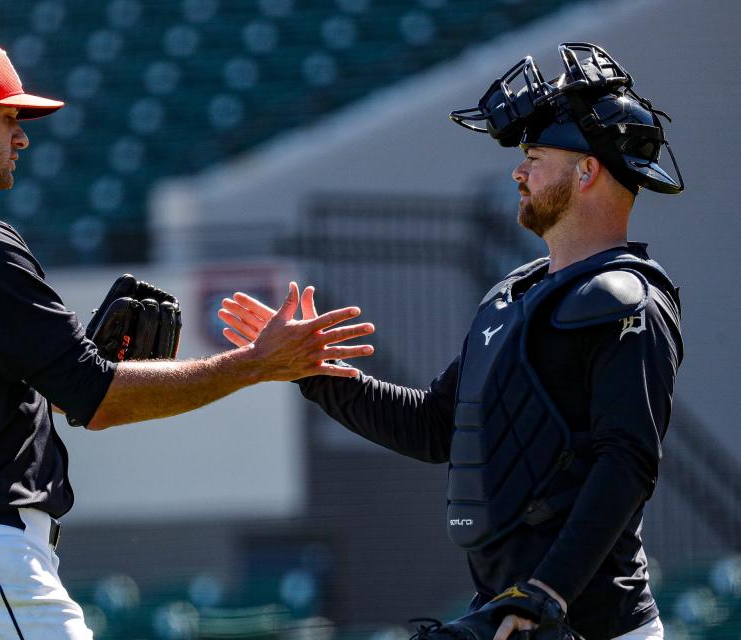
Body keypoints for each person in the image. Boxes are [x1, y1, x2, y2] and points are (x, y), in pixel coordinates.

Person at [0, 38, 375, 640]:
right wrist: (257, 362)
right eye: (9, 116)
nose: (22, 136)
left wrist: (28, 383)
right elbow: (97, 396)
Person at [218, 43, 684, 640]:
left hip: (592, 626)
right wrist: (312, 372)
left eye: (535, 157)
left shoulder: (628, 302)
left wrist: (546, 593)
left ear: (586, 170)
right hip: (509, 616)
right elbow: (436, 427)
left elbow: (628, 461)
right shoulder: (514, 295)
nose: (519, 172)